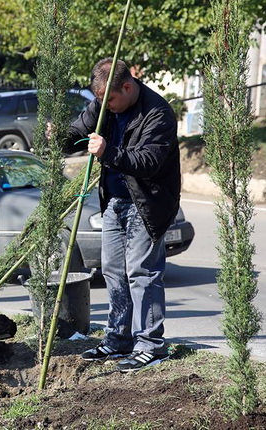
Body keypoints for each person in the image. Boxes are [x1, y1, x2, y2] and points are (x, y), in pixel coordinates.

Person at [66, 58, 180, 372]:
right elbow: (78, 130)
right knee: (114, 272)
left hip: (147, 203)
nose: (105, 106)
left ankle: (151, 346)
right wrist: (57, 138)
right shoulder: (104, 106)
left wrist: (108, 152)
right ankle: (118, 339)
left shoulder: (157, 112)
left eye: (110, 99)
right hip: (114, 202)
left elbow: (148, 162)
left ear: (127, 87)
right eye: (100, 100)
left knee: (142, 274)